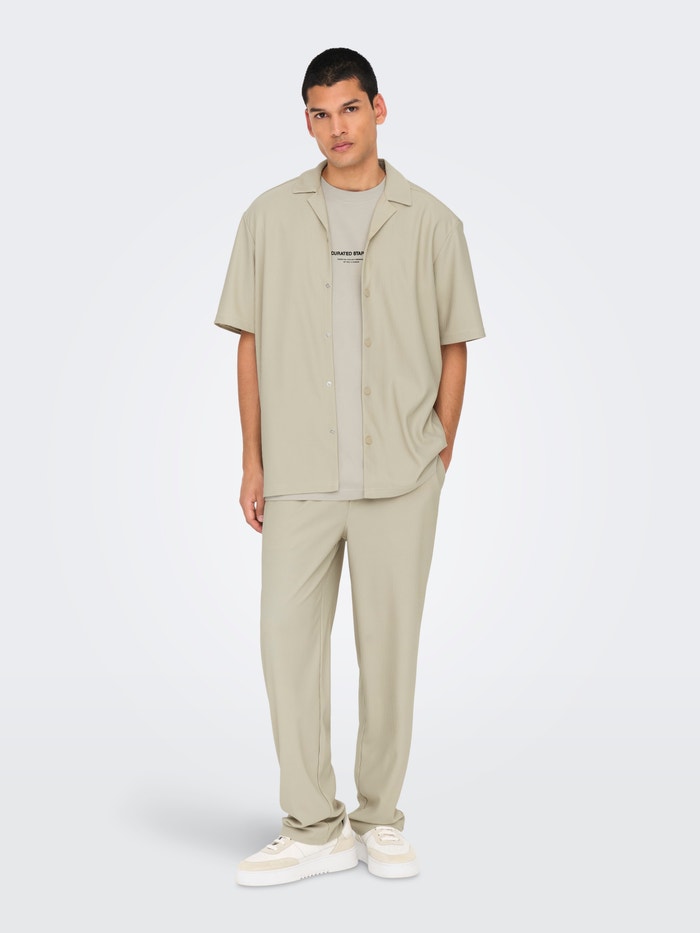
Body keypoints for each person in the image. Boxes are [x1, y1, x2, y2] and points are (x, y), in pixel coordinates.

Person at [214, 47, 485, 886]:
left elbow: (454, 343)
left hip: (402, 476)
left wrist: (438, 447)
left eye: (350, 109)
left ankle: (379, 818)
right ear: (307, 120)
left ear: (378, 109)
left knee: (389, 652)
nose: (337, 127)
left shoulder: (433, 222)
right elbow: (249, 344)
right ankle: (312, 825)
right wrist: (253, 460)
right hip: (297, 474)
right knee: (286, 646)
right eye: (320, 113)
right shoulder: (268, 217)